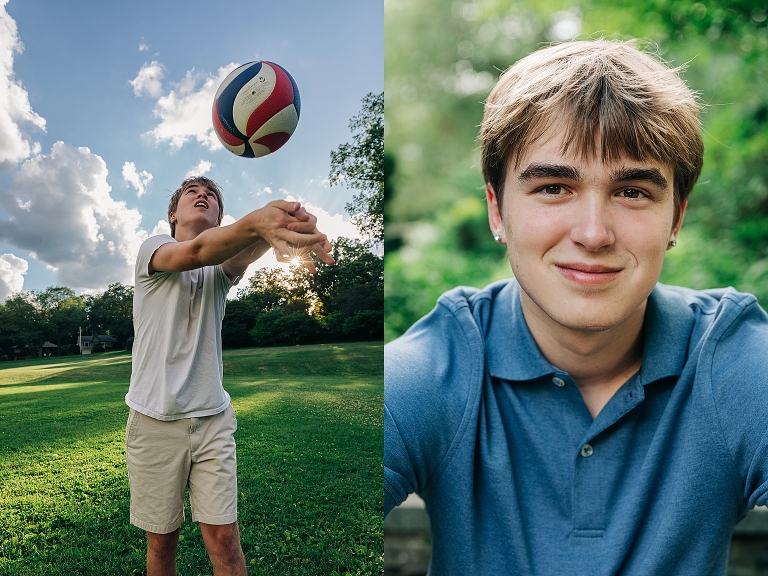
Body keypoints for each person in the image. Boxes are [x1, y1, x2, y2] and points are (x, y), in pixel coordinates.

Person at [384, 39, 768, 575]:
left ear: (675, 218)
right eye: (554, 187)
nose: (593, 233)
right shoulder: (434, 371)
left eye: (632, 191)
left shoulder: (733, 360)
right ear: (498, 210)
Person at [125, 176, 333, 576]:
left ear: (220, 216)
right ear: (173, 214)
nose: (202, 196)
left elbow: (243, 248)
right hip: (154, 421)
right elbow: (199, 251)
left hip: (212, 420)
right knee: (162, 540)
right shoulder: (152, 250)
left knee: (224, 539)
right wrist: (260, 222)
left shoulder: (219, 274)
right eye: (192, 193)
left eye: (213, 197)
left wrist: (285, 220)